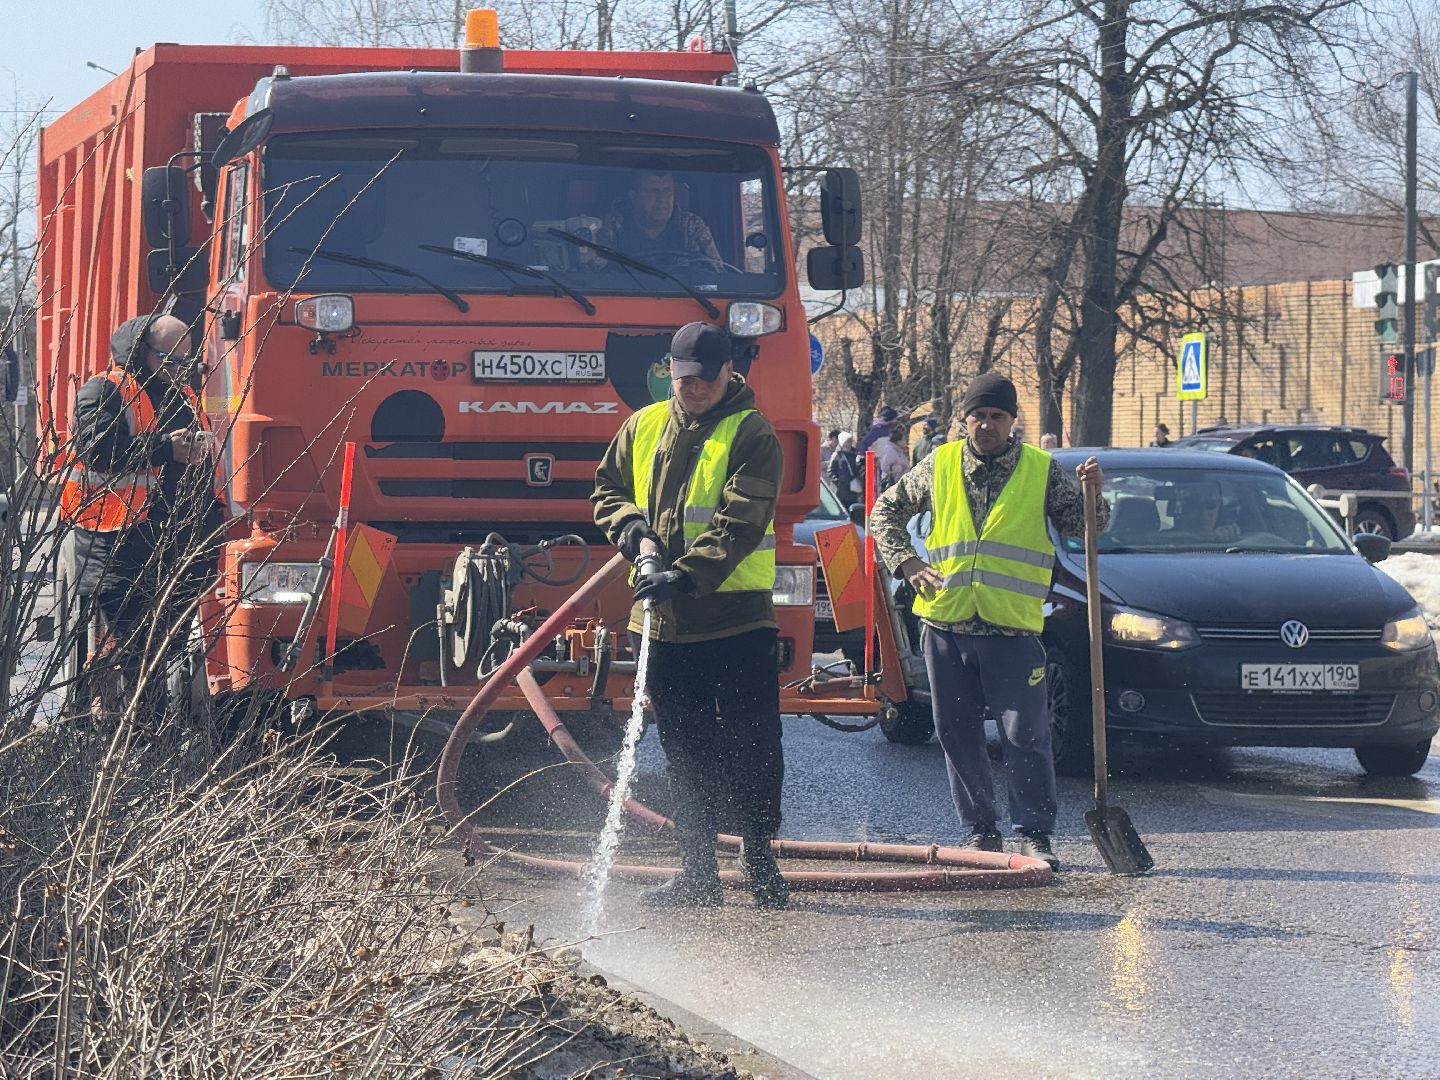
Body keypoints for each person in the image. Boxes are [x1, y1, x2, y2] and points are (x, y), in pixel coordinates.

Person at [868, 372, 1108, 870]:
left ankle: (1034, 833)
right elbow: (884, 512)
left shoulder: (1041, 471)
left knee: (1026, 735)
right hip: (946, 624)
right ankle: (980, 832)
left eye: (997, 416)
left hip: (1012, 630)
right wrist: (907, 563)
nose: (987, 425)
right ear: (963, 420)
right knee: (956, 734)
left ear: (1012, 422)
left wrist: (1094, 498)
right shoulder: (939, 465)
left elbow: (1088, 526)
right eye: (978, 415)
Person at [592, 322, 787, 910]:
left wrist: (686, 575)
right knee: (686, 751)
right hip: (663, 626)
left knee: (753, 745)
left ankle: (761, 863)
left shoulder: (752, 433)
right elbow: (607, 488)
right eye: (683, 379)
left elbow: (741, 521)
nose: (693, 388)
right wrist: (635, 532)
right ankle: (698, 871)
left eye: (705, 378)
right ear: (668, 373)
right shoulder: (643, 424)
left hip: (736, 622)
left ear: (729, 373)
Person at [59, 314, 225, 721]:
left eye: (187, 362)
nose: (179, 371)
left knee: (159, 656)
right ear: (140, 353)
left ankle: (151, 747)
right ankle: (126, 747)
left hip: (174, 552)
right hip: (120, 554)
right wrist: (166, 449)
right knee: (135, 661)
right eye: (170, 360)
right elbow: (98, 451)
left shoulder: (184, 396)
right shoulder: (104, 391)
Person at [601, 168, 721, 266]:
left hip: (684, 294)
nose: (662, 199)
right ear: (633, 197)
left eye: (668, 191)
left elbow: (718, 273)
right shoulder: (613, 225)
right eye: (653, 191)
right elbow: (595, 274)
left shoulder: (692, 225)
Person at [1163, 480, 1239, 541]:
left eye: (1211, 505)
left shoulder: (1236, 546)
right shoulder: (1163, 542)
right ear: (1183, 509)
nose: (1203, 512)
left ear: (1220, 509)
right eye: (1194, 504)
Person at [828, 431, 861, 499]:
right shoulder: (837, 455)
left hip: (852, 488)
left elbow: (857, 469)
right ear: (843, 442)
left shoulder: (854, 454)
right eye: (847, 441)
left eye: (850, 441)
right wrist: (838, 482)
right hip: (840, 490)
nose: (849, 444)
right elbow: (830, 471)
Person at [875, 425, 908, 489]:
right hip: (891, 484)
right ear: (898, 441)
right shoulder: (890, 451)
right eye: (903, 440)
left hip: (899, 482)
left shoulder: (900, 451)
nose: (905, 442)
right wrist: (900, 468)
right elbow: (884, 467)